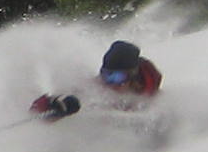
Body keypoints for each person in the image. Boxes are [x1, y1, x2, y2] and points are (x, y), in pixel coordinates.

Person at [33, 39, 161, 119]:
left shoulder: (149, 83)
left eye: (116, 77)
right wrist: (57, 105)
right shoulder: (97, 90)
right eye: (106, 75)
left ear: (132, 77)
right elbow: (37, 111)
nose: (109, 83)